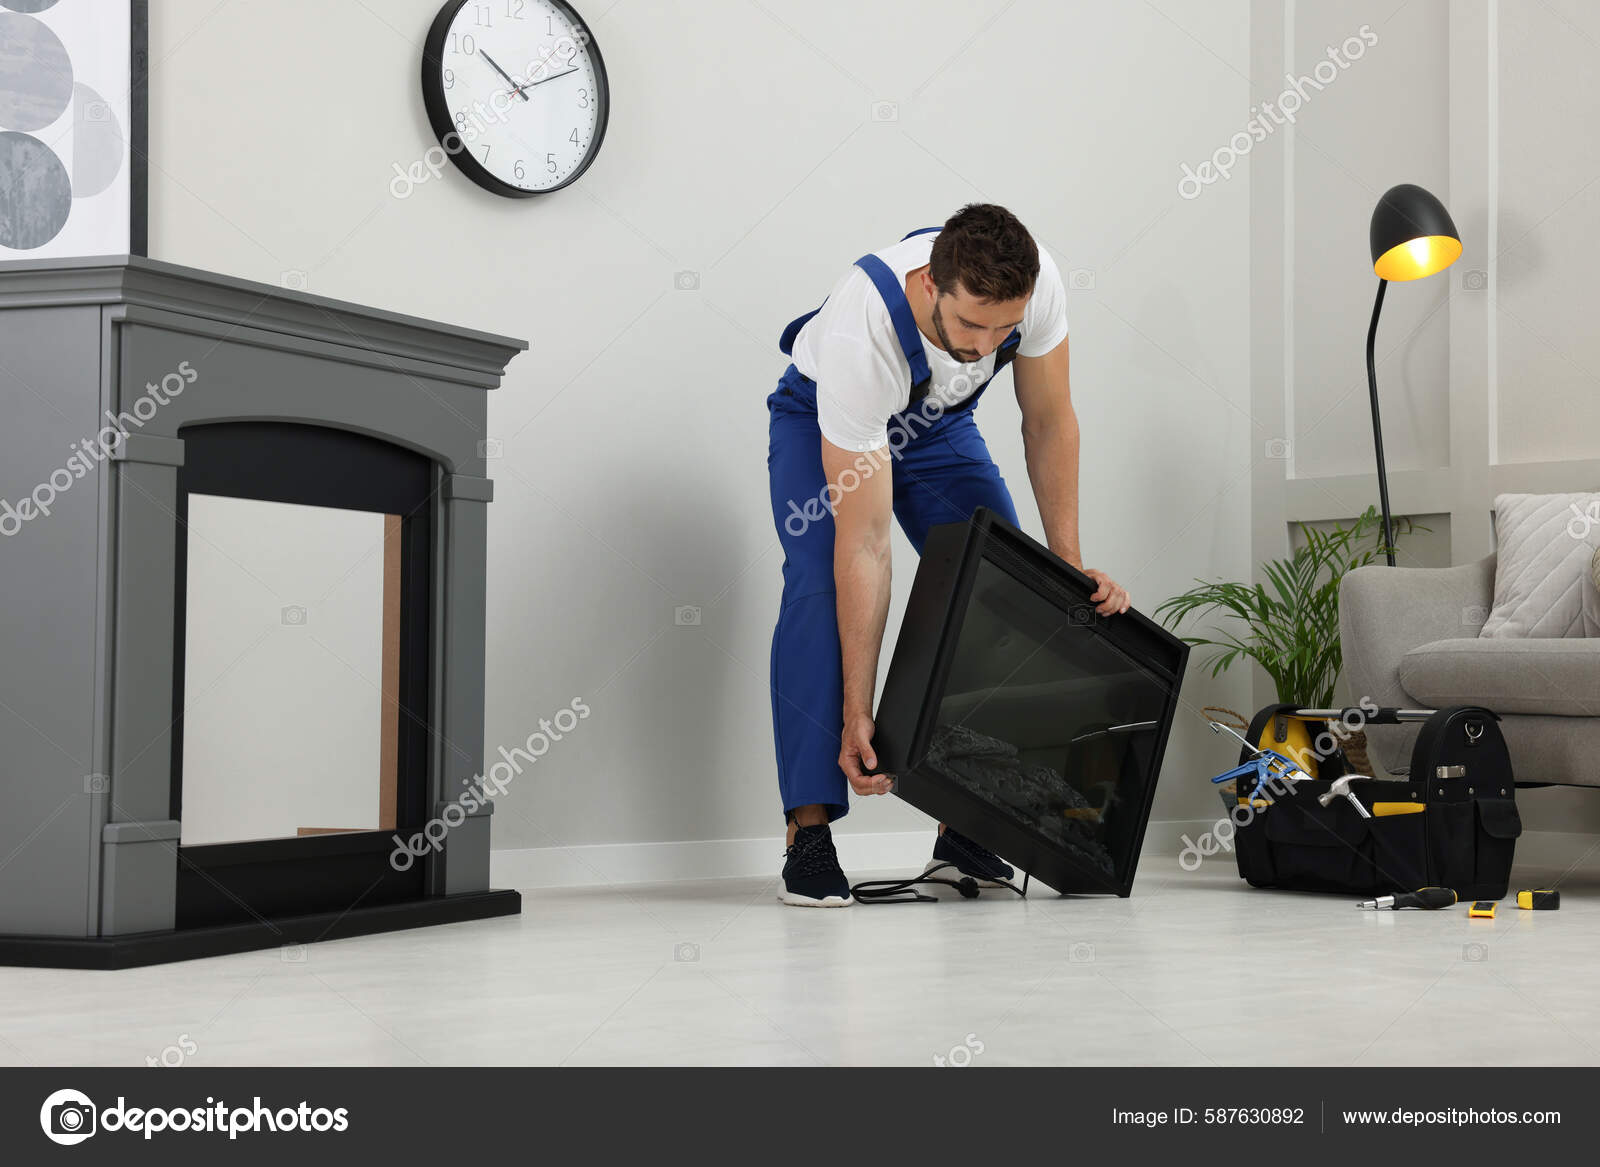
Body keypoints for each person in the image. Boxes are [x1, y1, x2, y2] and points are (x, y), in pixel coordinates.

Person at [765, 203, 1130, 907]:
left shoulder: (1040, 284)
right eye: (970, 324)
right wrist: (857, 710)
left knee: (1003, 586)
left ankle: (965, 822)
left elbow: (1049, 419)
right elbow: (865, 545)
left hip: (935, 426)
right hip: (825, 418)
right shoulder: (861, 328)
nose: (985, 344)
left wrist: (1066, 570)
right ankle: (808, 831)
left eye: (1003, 329)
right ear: (932, 283)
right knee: (816, 585)